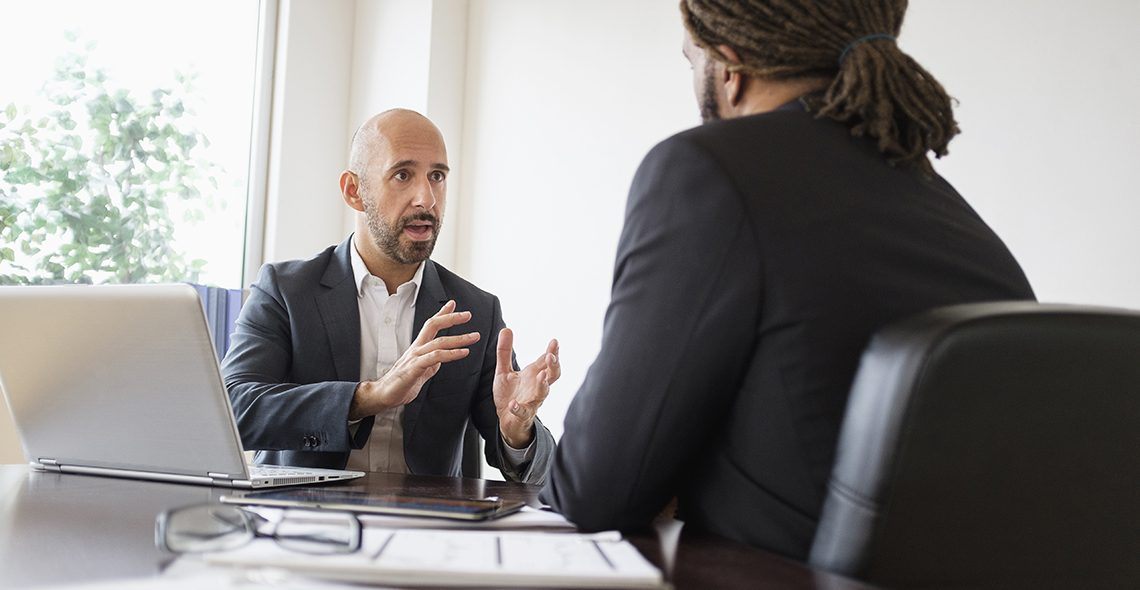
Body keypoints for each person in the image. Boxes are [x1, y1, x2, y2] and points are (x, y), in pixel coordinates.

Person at [539, 0, 1035, 559]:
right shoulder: (956, 219)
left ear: (729, 68)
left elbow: (592, 493)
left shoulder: (708, 172)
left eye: (691, 59)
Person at [222, 109, 558, 483]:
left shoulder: (477, 311)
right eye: (403, 175)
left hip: (429, 530)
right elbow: (233, 409)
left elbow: (536, 468)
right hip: (306, 525)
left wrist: (518, 431)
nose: (426, 199)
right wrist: (368, 397)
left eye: (437, 176)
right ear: (355, 191)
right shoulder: (285, 290)